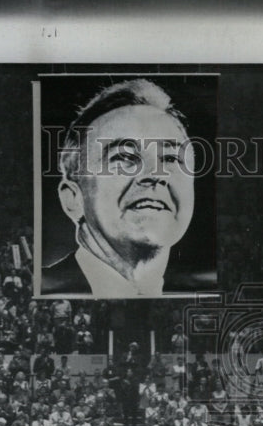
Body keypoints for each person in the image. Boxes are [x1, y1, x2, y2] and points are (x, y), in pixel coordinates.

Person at [43, 78, 197, 298]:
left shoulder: (197, 290)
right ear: (73, 199)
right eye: (125, 156)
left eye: (171, 158)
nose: (155, 174)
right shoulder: (44, 287)